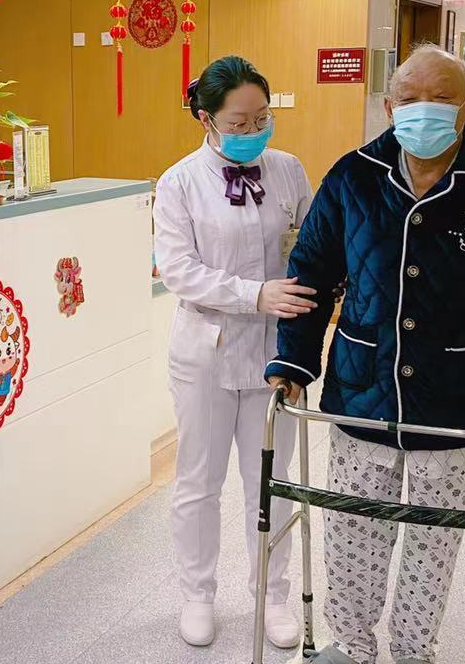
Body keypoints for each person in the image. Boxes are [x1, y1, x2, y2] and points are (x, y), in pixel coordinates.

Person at [266, 45, 465, 664]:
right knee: (353, 528)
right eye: (409, 99)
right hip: (362, 390)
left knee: (433, 541)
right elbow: (311, 274)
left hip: (457, 397)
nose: (423, 110)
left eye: (441, 98)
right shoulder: (353, 176)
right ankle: (352, 647)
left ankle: (414, 652)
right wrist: (295, 362)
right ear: (389, 107)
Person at [153, 55, 317, 649]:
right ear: (206, 119)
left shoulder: (288, 170)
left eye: (262, 118)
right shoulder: (179, 183)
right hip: (207, 348)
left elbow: (311, 247)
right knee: (199, 479)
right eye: (240, 123)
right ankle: (197, 594)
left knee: (269, 477)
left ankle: (272, 595)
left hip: (277, 353)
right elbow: (178, 270)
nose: (254, 131)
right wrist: (254, 294)